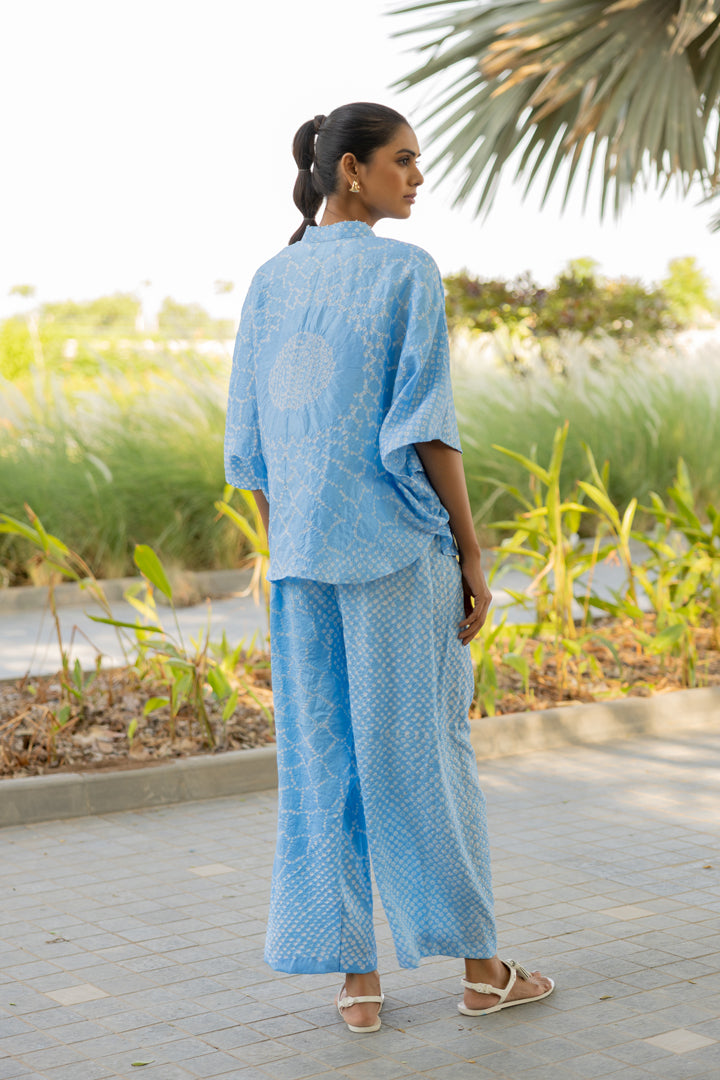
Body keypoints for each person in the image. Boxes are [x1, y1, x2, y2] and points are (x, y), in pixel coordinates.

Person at [224, 102, 554, 1034]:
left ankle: (357, 984)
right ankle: (482, 973)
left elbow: (249, 446)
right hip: (398, 552)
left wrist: (288, 543)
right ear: (351, 170)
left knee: (321, 763)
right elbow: (425, 426)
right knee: (423, 758)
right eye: (402, 160)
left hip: (302, 564)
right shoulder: (406, 271)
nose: (416, 178)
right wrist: (471, 551)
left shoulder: (269, 281)